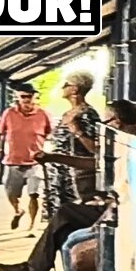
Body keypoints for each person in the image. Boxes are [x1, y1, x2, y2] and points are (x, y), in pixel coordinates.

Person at [0, 100, 136, 271]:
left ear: (117, 122)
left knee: (66, 214)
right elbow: (97, 163)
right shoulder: (127, 142)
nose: (102, 128)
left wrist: (108, 202)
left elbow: (130, 187)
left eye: (105, 122)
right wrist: (54, 157)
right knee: (63, 233)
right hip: (120, 207)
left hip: (127, 214)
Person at [42, 70, 102, 219]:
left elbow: (95, 149)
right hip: (59, 175)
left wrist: (77, 130)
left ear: (75, 89)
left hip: (75, 178)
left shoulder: (88, 114)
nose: (63, 88)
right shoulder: (67, 114)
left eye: (66, 85)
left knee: (70, 216)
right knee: (57, 216)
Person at [0, 87, 51, 232]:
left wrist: (47, 153)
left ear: (35, 97)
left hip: (35, 162)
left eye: (30, 96)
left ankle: (32, 226)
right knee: (11, 193)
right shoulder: (9, 113)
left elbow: (51, 135)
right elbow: (0, 133)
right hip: (14, 160)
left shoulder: (43, 114)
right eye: (23, 96)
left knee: (34, 194)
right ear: (17, 97)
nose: (26, 99)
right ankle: (18, 210)